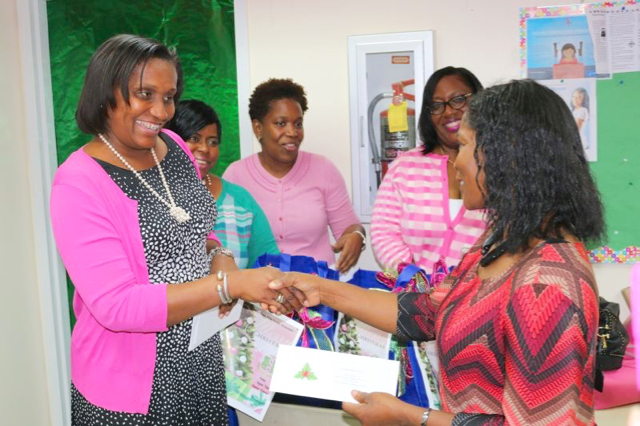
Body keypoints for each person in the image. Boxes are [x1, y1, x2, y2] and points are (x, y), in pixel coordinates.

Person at [271, 79, 604, 425]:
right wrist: (320, 289)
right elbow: (429, 312)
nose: (456, 163)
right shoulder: (500, 241)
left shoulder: (546, 285)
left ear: (506, 155)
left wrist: (413, 417)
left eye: (463, 146)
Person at [50, 34, 294, 425]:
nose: (161, 110)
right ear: (105, 91)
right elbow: (117, 306)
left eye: (169, 96)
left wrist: (220, 257)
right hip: (131, 394)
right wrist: (228, 287)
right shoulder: (78, 183)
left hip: (200, 366)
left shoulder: (175, 147)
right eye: (144, 94)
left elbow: (196, 232)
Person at [223, 78, 365, 273]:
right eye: (281, 123)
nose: (292, 132)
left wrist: (358, 236)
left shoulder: (323, 169)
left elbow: (350, 229)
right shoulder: (236, 175)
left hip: (319, 291)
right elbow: (225, 243)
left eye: (298, 124)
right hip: (260, 293)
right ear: (258, 128)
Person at [371, 67, 486, 271]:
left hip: (479, 295)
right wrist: (414, 280)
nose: (449, 111)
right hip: (414, 295)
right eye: (437, 105)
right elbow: (384, 232)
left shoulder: (499, 165)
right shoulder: (404, 167)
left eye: (459, 99)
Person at [166, 99, 280, 269]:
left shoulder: (240, 200)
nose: (205, 148)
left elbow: (269, 263)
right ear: (170, 139)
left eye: (212, 141)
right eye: (194, 138)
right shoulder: (152, 197)